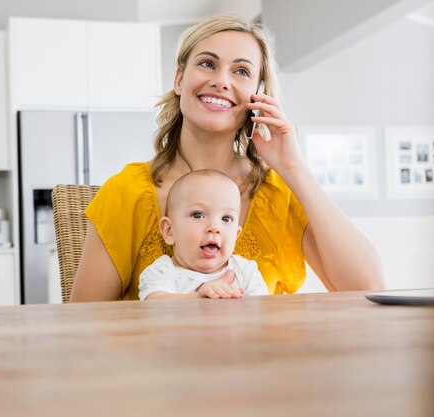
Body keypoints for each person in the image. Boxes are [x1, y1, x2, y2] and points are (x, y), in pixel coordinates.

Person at [71, 13, 384, 302]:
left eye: (242, 71)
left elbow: (367, 289)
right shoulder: (126, 191)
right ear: (179, 80)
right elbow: (83, 324)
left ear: (257, 96)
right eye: (207, 64)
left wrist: (294, 168)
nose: (222, 80)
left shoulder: (276, 195)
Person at [139, 169, 266, 300]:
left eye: (226, 219)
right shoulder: (163, 271)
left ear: (236, 235)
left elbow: (262, 313)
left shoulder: (244, 271)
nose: (214, 228)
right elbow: (154, 306)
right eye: (198, 215)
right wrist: (199, 297)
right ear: (169, 231)